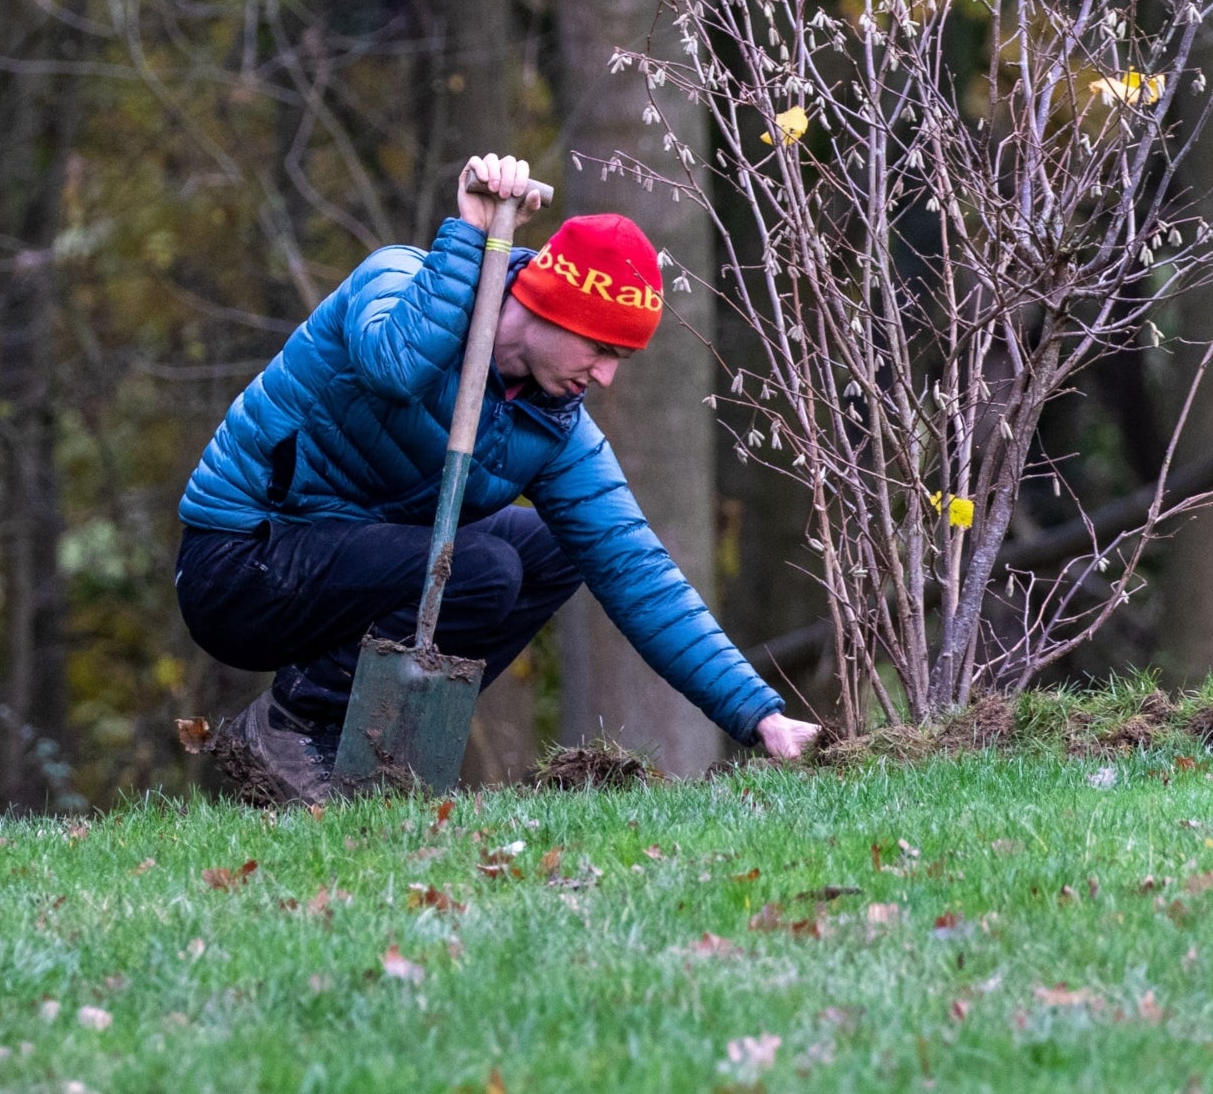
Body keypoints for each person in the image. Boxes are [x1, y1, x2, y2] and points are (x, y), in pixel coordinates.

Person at [177, 153, 823, 802]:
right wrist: (468, 233)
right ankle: (291, 728)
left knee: (547, 549)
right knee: (480, 567)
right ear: (550, 306)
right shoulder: (398, 277)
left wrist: (757, 715)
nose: (606, 377)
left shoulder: (552, 425)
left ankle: (378, 757)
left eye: (620, 358)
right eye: (601, 348)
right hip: (241, 565)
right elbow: (393, 368)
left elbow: (637, 570)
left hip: (352, 569)